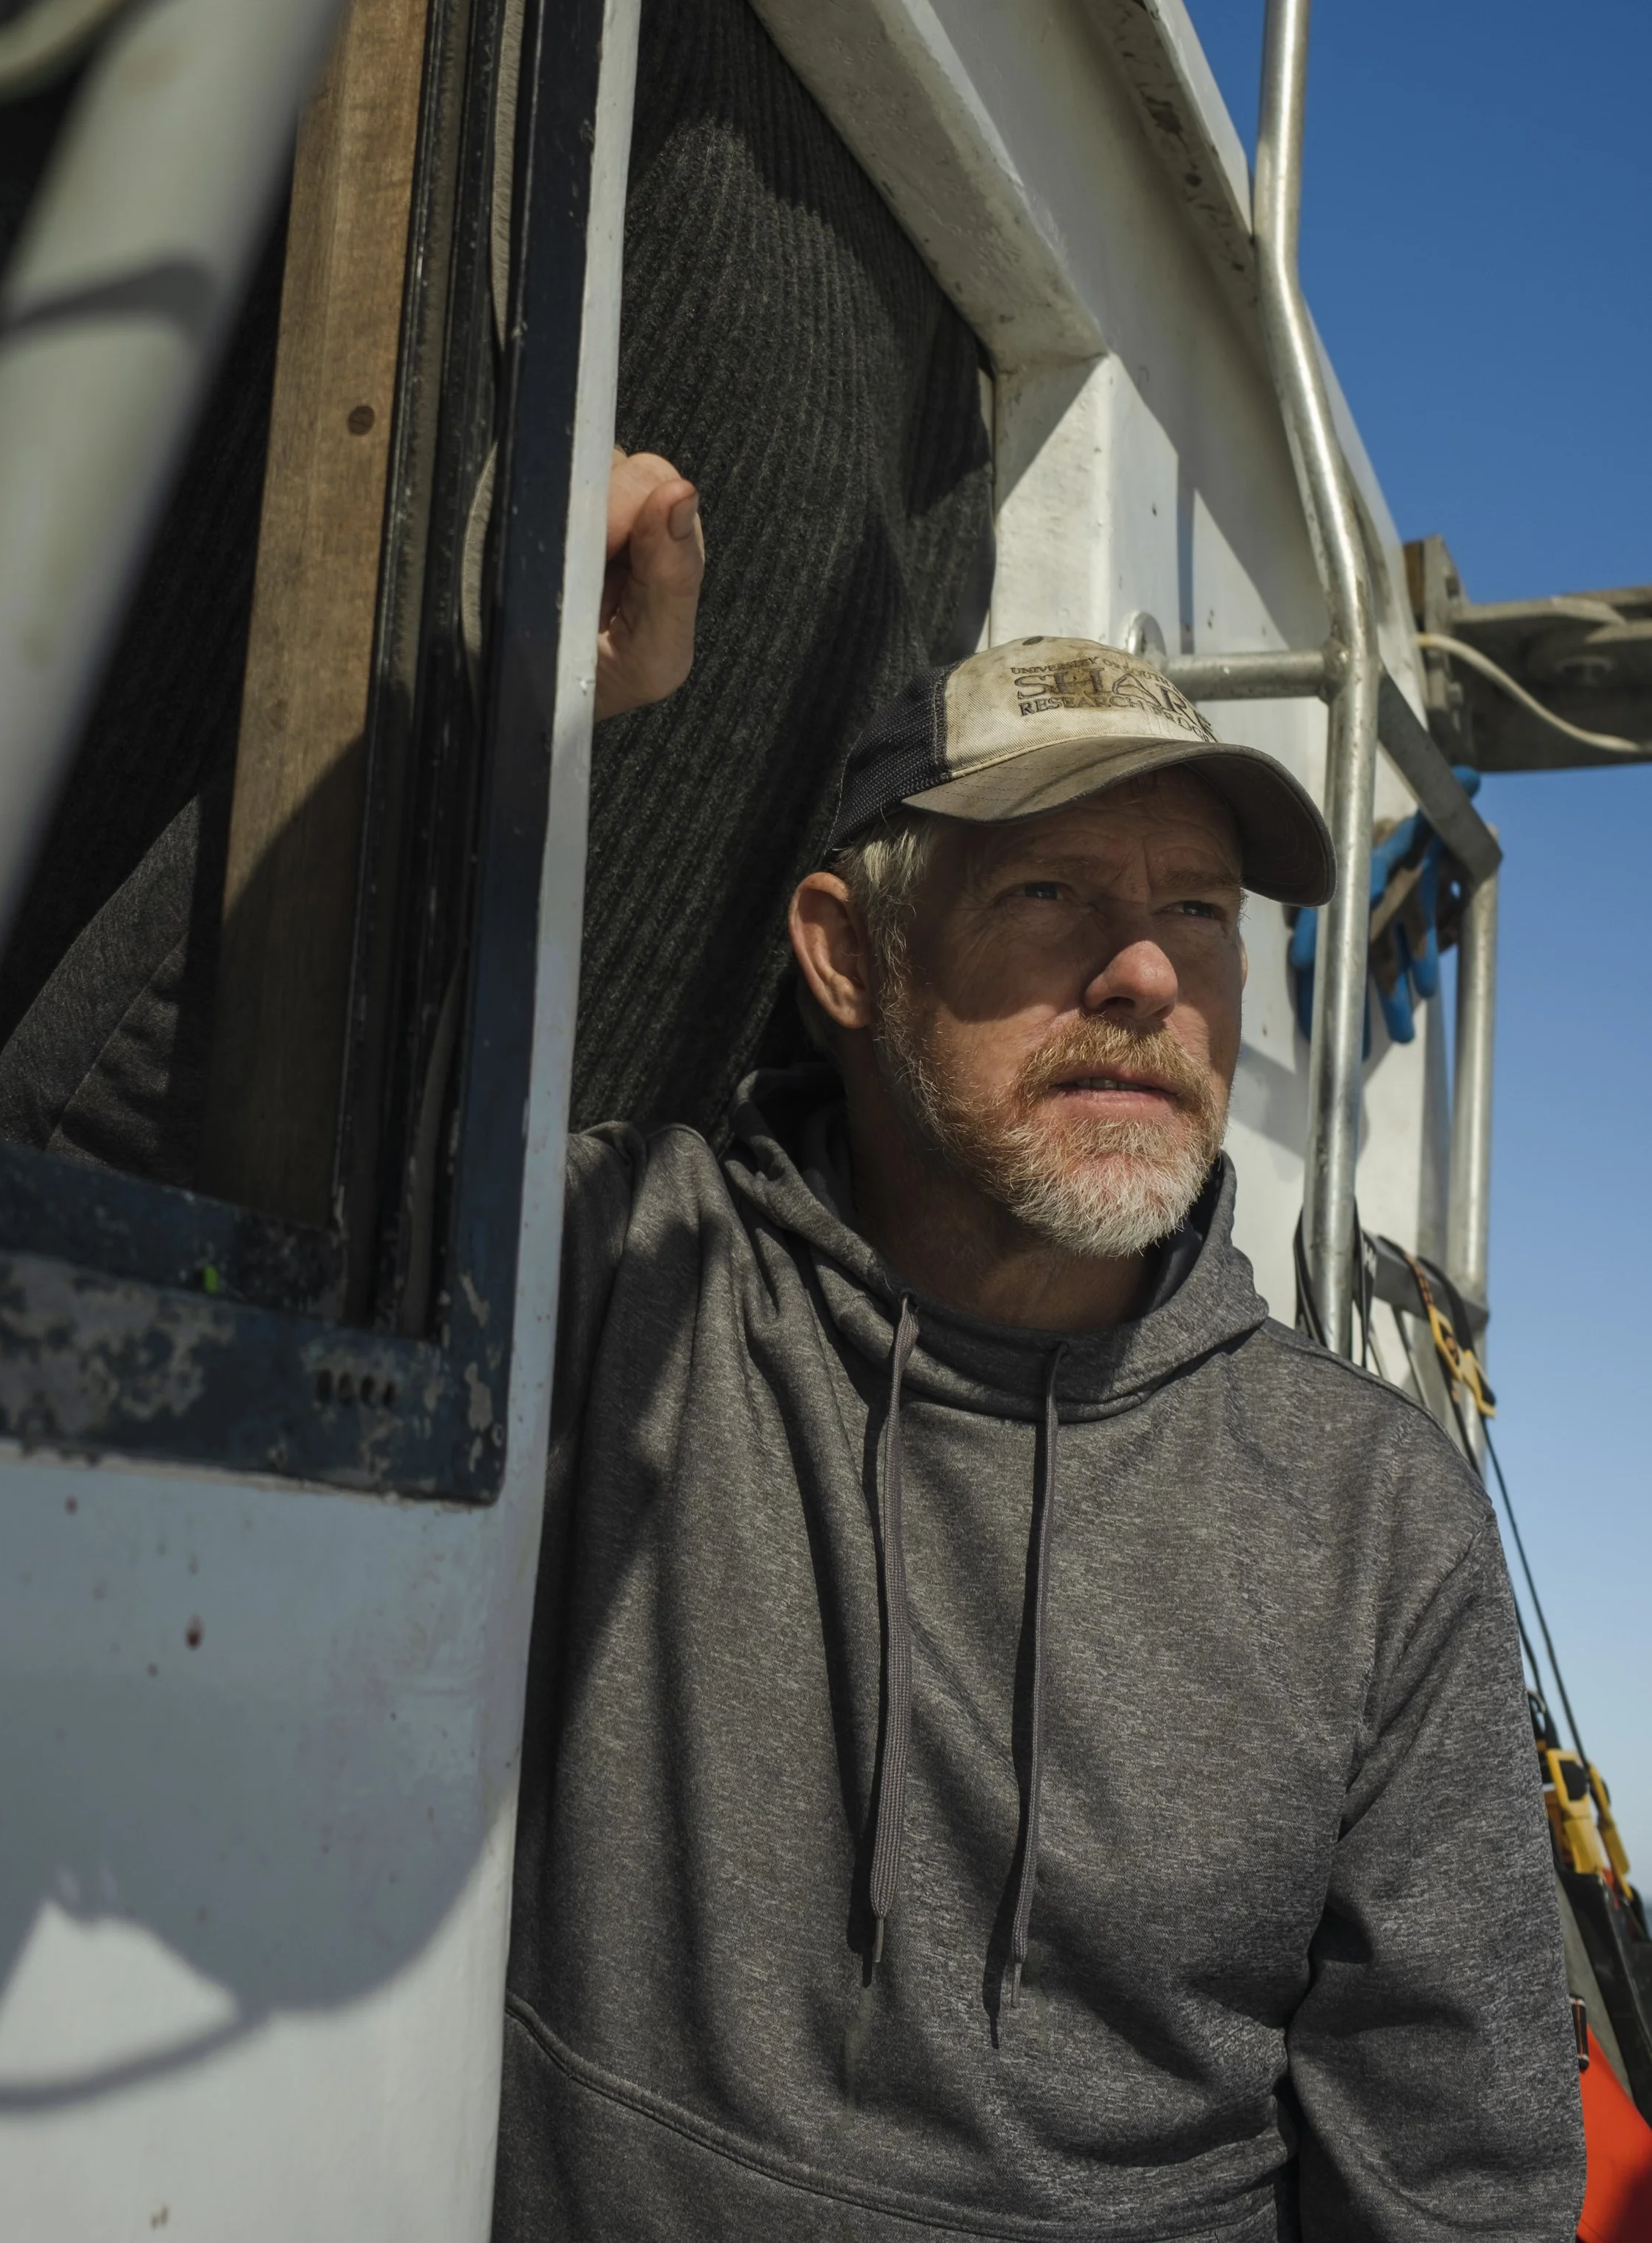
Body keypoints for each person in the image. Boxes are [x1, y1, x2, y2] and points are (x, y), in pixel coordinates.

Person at [493, 452, 1585, 2239]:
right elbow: (178, 1154)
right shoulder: (630, 1281)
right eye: (1050, 895)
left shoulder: (1373, 1521)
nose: (1147, 976)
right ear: (848, 956)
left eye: (1199, 913)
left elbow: (1455, 2188)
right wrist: (500, 699)